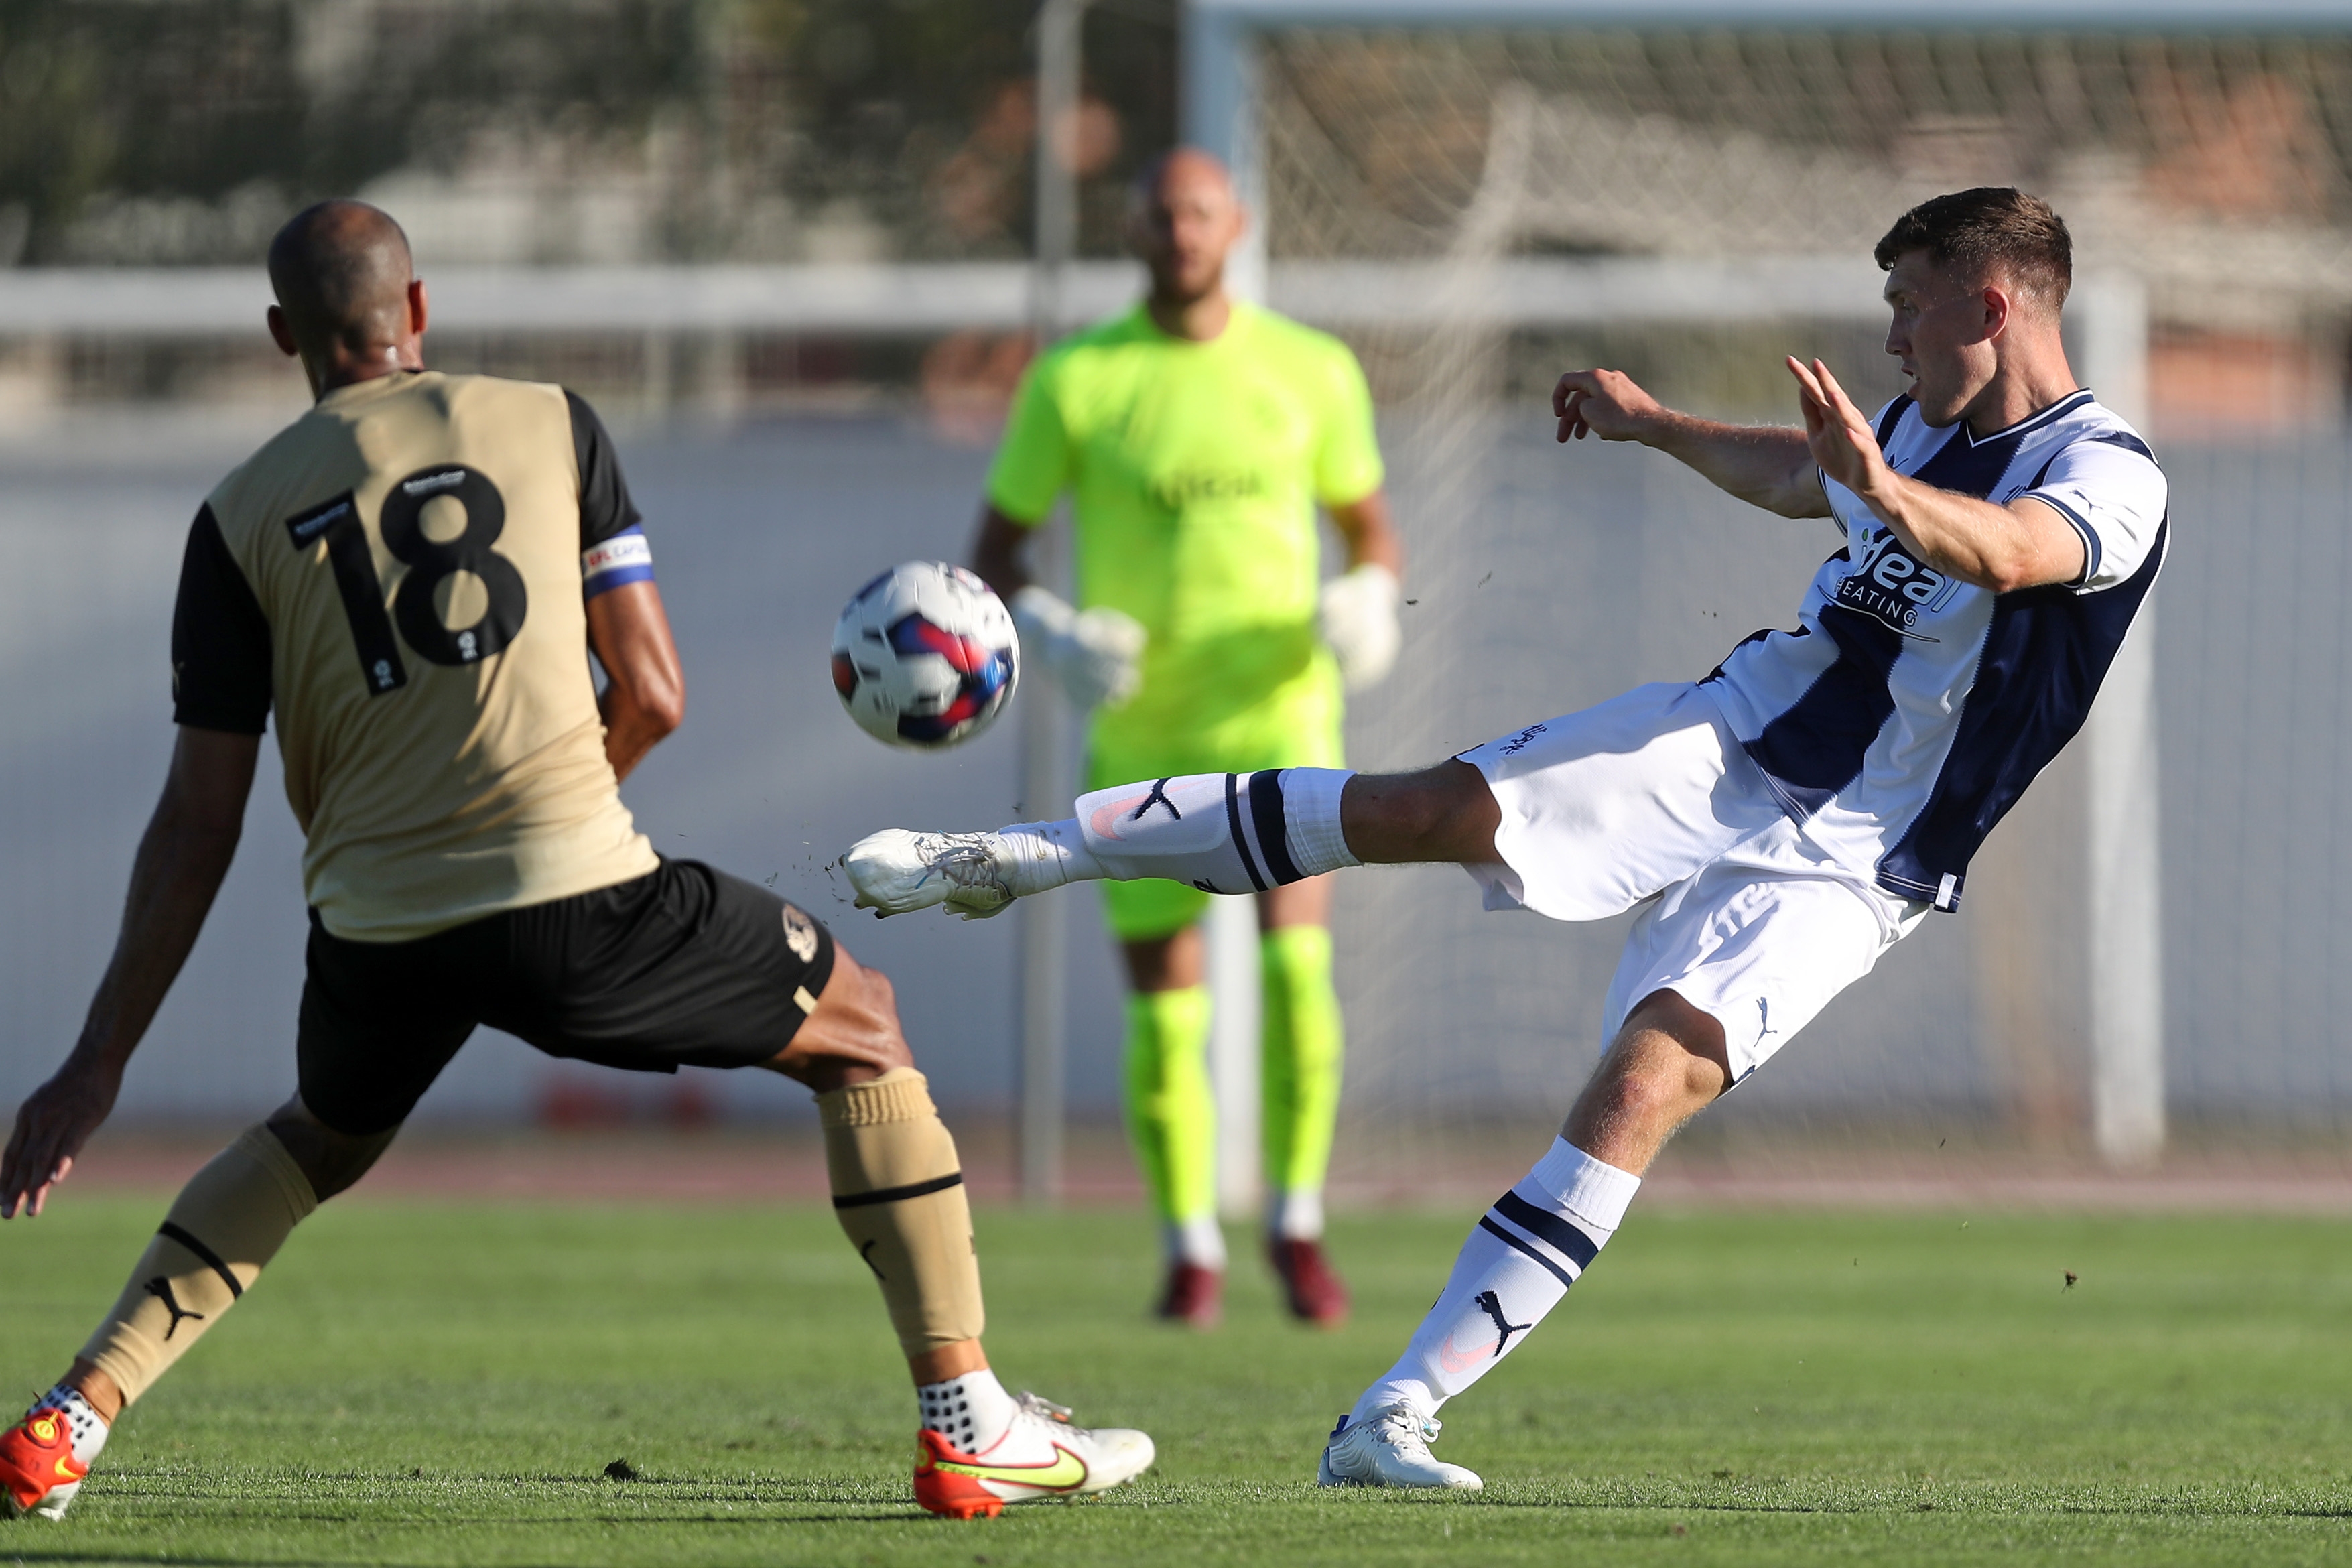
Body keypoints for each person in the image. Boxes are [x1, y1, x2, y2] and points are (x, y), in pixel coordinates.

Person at [844, 187, 2164, 1487]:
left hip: (1863, 859)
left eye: (1909, 308)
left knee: (1643, 1090)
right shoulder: (1915, 429)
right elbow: (1803, 476)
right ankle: (1011, 858)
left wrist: (1876, 478)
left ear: (1991, 304)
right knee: (1426, 807)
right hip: (1731, 739)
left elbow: (2006, 554)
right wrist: (1656, 426)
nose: (1893, 341)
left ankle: (1391, 1417)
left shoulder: (2103, 475)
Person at [0, 200, 1152, 1524]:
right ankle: (969, 1424)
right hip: (575, 889)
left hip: (376, 927)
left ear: (283, 337)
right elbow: (653, 692)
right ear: (416, 312)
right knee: (865, 1030)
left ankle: (72, 1416)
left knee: (319, 1136)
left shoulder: (237, 516)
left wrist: (95, 1065)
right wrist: (540, 818)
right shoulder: (550, 420)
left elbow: (197, 822)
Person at [973, 149, 1404, 1328]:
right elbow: (995, 556)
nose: (1181, 232)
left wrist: (1365, 596)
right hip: (1141, 738)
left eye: (1200, 212)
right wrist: (1048, 629)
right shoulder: (1076, 380)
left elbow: (1369, 530)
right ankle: (1188, 1249)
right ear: (1135, 229)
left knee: (1295, 972)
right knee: (1165, 1009)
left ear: (1237, 226)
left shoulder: (1307, 370)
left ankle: (1299, 1228)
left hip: (1281, 721)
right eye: (1161, 214)